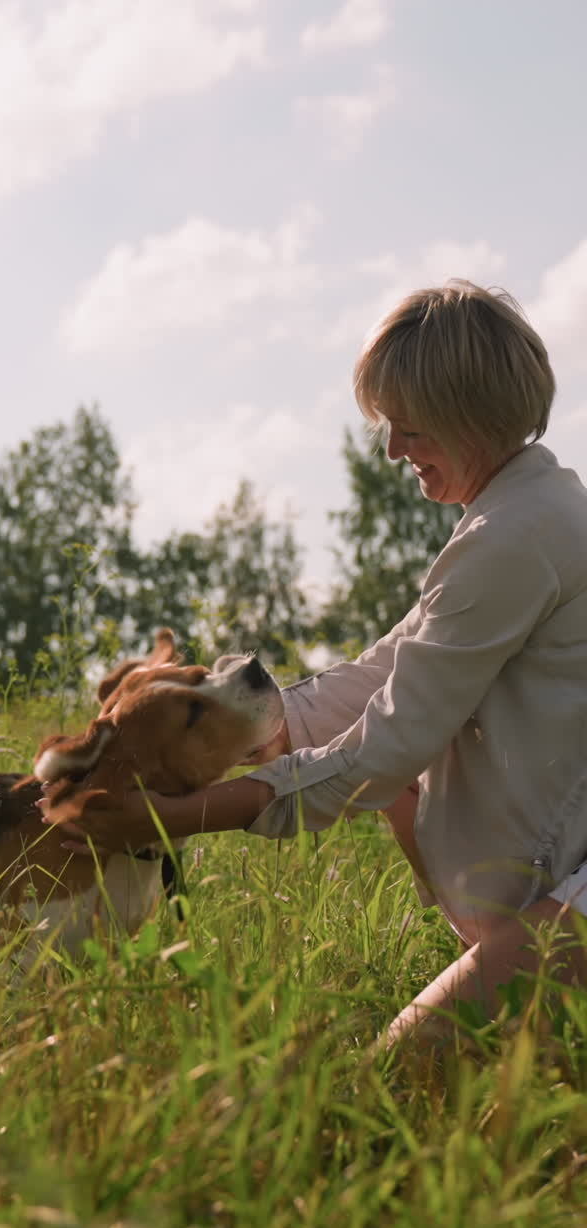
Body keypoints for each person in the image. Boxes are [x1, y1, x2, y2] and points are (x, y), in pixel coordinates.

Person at [39, 279, 587, 1045]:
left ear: (470, 414)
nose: (393, 450)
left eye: (409, 428)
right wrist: (256, 724)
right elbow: (385, 674)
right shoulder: (517, 516)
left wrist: (175, 818)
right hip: (554, 876)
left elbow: (384, 752)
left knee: (411, 1061)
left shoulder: (515, 537)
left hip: (570, 885)